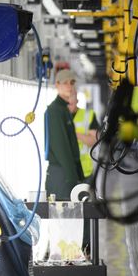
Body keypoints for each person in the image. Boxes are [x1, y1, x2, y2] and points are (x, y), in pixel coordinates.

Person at [45, 69, 85, 201]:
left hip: (66, 173)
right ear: (57, 85)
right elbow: (62, 148)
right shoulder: (55, 111)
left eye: (72, 82)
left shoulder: (63, 109)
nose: (69, 86)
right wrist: (73, 180)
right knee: (64, 219)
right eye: (65, 83)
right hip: (61, 175)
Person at [66, 94, 99, 184]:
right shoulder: (59, 116)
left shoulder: (88, 115)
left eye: (71, 103)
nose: (68, 106)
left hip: (85, 171)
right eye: (66, 104)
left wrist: (75, 135)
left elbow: (95, 141)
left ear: (77, 101)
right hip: (66, 170)